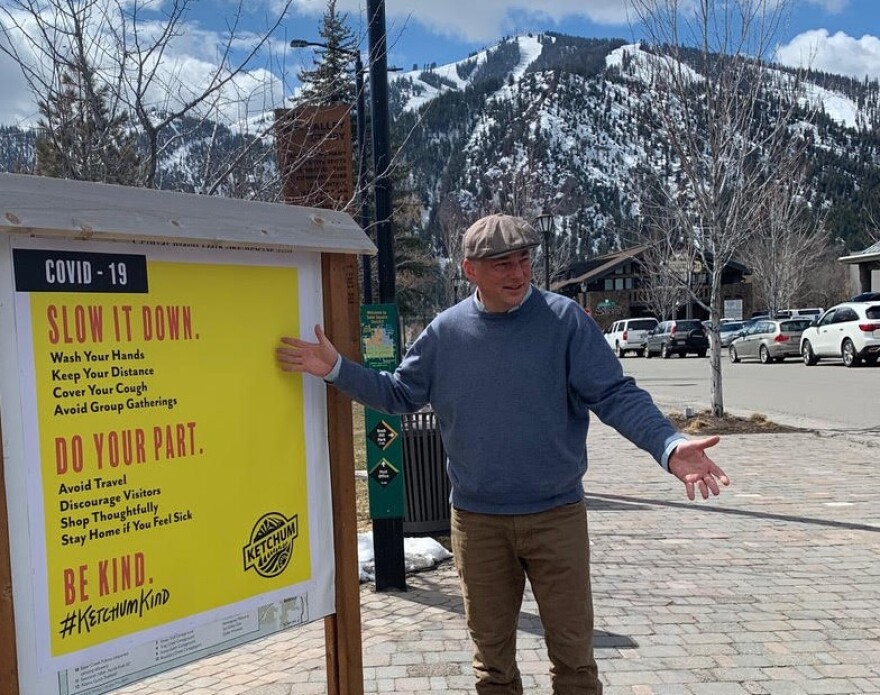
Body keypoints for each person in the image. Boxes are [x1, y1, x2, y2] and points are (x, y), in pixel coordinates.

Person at [276, 213, 730, 695]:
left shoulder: (565, 322)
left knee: (575, 663)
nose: (517, 274)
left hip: (557, 517)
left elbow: (616, 394)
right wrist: (336, 370)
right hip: (478, 523)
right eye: (501, 265)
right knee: (492, 667)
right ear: (470, 270)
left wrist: (668, 444)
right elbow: (399, 394)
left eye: (524, 261)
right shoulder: (445, 333)